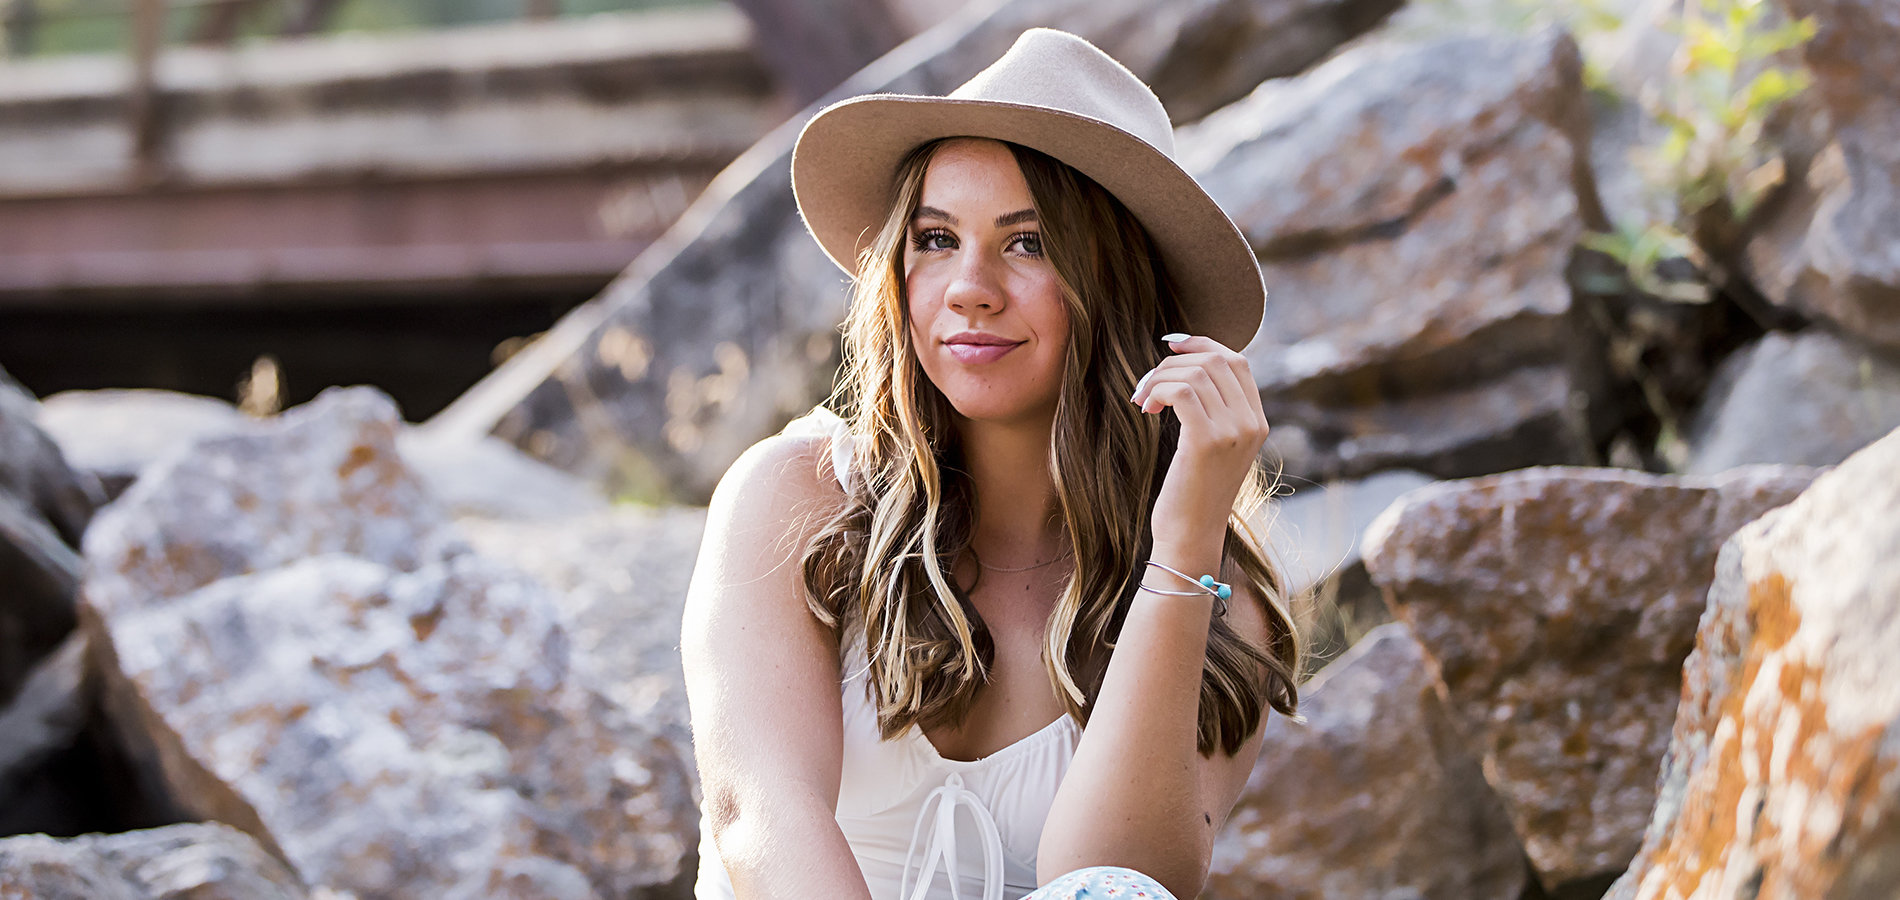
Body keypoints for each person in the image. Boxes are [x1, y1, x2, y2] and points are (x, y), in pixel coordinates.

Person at [682, 27, 1303, 900]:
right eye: (936, 239)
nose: (969, 286)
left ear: (1119, 285)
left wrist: (1185, 544)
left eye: (1029, 243)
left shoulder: (1217, 591)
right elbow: (756, 815)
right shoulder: (796, 498)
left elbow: (1119, 878)